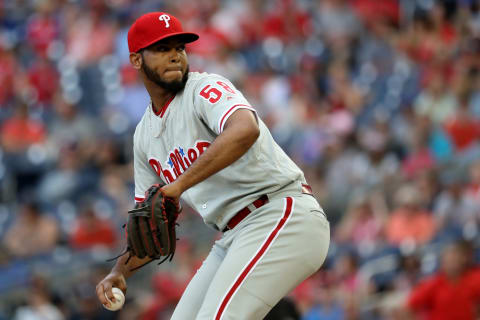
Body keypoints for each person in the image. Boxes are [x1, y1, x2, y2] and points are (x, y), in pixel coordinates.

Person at [95, 12, 330, 319]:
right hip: (232, 236)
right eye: (163, 49)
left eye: (179, 48)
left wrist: (179, 184)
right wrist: (120, 271)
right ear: (137, 60)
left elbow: (245, 129)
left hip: (280, 214)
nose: (175, 56)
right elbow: (150, 227)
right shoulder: (144, 138)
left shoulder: (203, 89)